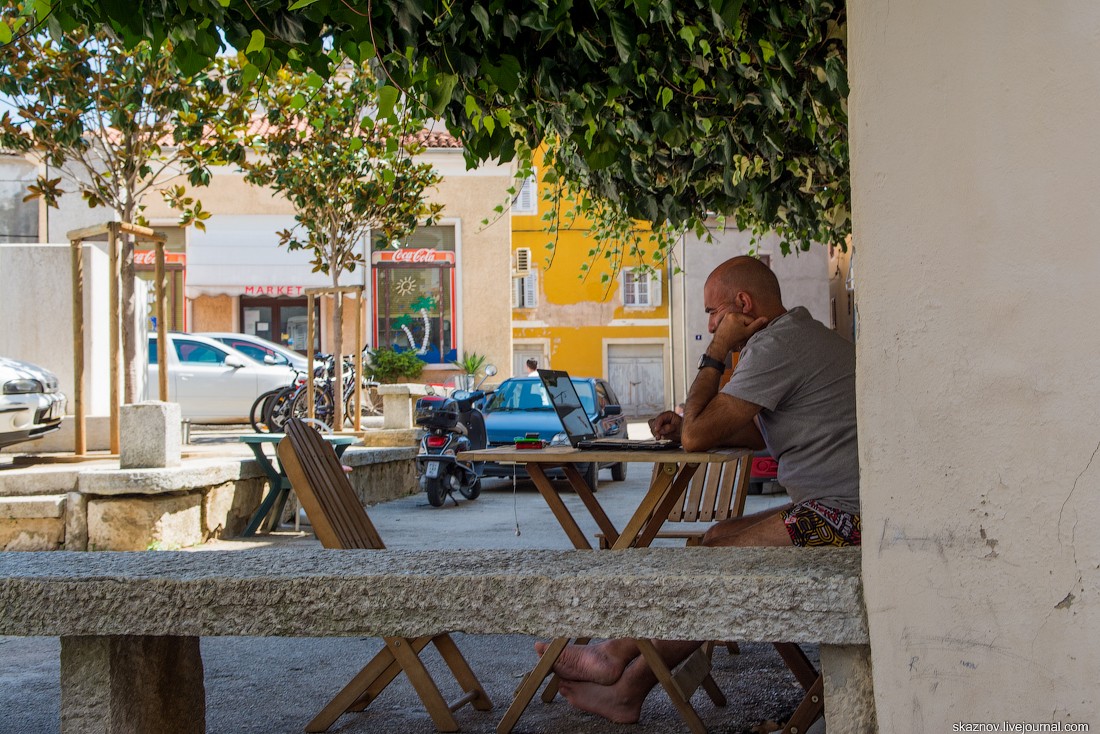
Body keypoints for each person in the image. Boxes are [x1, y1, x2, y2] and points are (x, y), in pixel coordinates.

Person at [534, 255, 860, 724]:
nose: (710, 325)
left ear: (742, 304)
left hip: (847, 521)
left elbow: (697, 439)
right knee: (714, 539)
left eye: (714, 313)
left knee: (722, 558)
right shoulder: (793, 336)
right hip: (836, 510)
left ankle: (620, 667)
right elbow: (755, 431)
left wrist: (717, 355)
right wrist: (691, 423)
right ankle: (625, 677)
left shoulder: (775, 346)